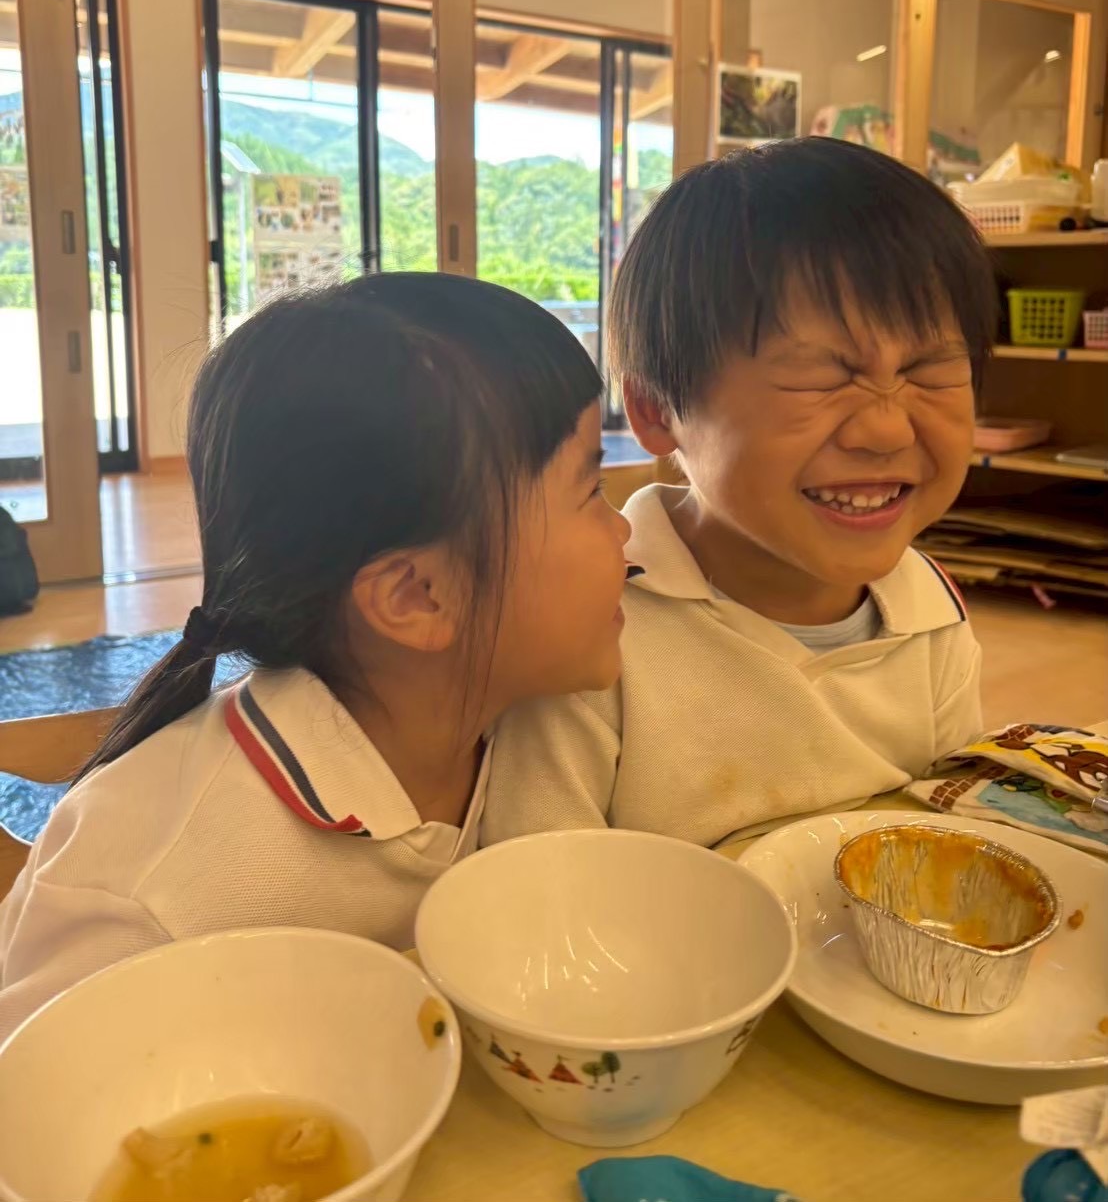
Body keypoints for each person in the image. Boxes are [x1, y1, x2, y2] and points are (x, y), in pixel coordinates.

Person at [0, 274, 630, 1041]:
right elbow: (35, 1091)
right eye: (592, 491)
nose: (626, 530)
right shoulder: (152, 894)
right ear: (417, 596)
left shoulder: (544, 726)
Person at [483, 139, 995, 848]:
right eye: (819, 375)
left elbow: (951, 830)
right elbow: (538, 887)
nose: (884, 428)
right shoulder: (590, 633)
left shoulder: (931, 609)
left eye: (928, 368)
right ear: (657, 410)